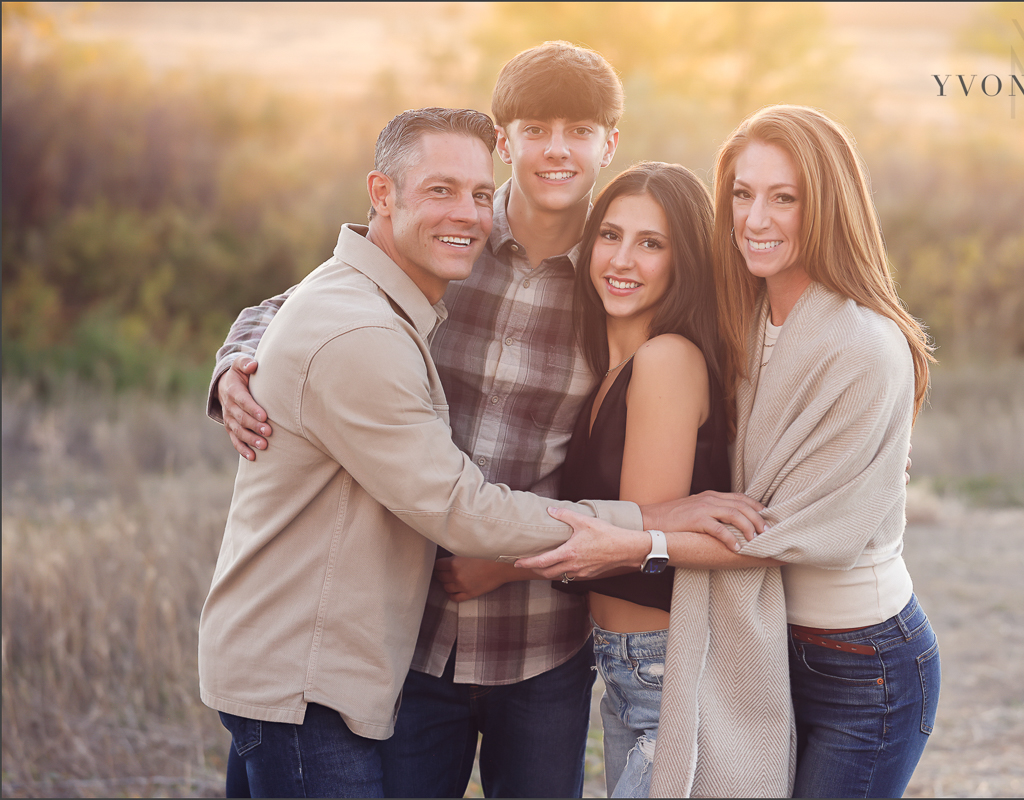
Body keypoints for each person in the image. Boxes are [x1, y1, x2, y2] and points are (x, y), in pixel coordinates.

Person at [208, 44, 764, 798]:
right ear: (506, 142)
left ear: (610, 144)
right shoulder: (447, 234)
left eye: (579, 130)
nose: (556, 150)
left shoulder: (615, 273)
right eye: (535, 129)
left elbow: (711, 345)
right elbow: (306, 304)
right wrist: (235, 366)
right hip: (410, 628)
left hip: (540, 639)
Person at [516, 105, 940, 799]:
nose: (755, 219)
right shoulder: (740, 322)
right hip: (761, 641)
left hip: (862, 659)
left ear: (828, 206)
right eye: (742, 194)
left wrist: (635, 543)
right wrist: (267, 347)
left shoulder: (866, 346)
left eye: (784, 198)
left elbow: (797, 531)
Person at [433, 162, 730, 798]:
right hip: (625, 669)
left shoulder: (666, 360)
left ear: (685, 262)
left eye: (652, 244)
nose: (623, 260)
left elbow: (627, 540)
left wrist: (500, 566)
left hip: (663, 667)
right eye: (611, 236)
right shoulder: (607, 365)